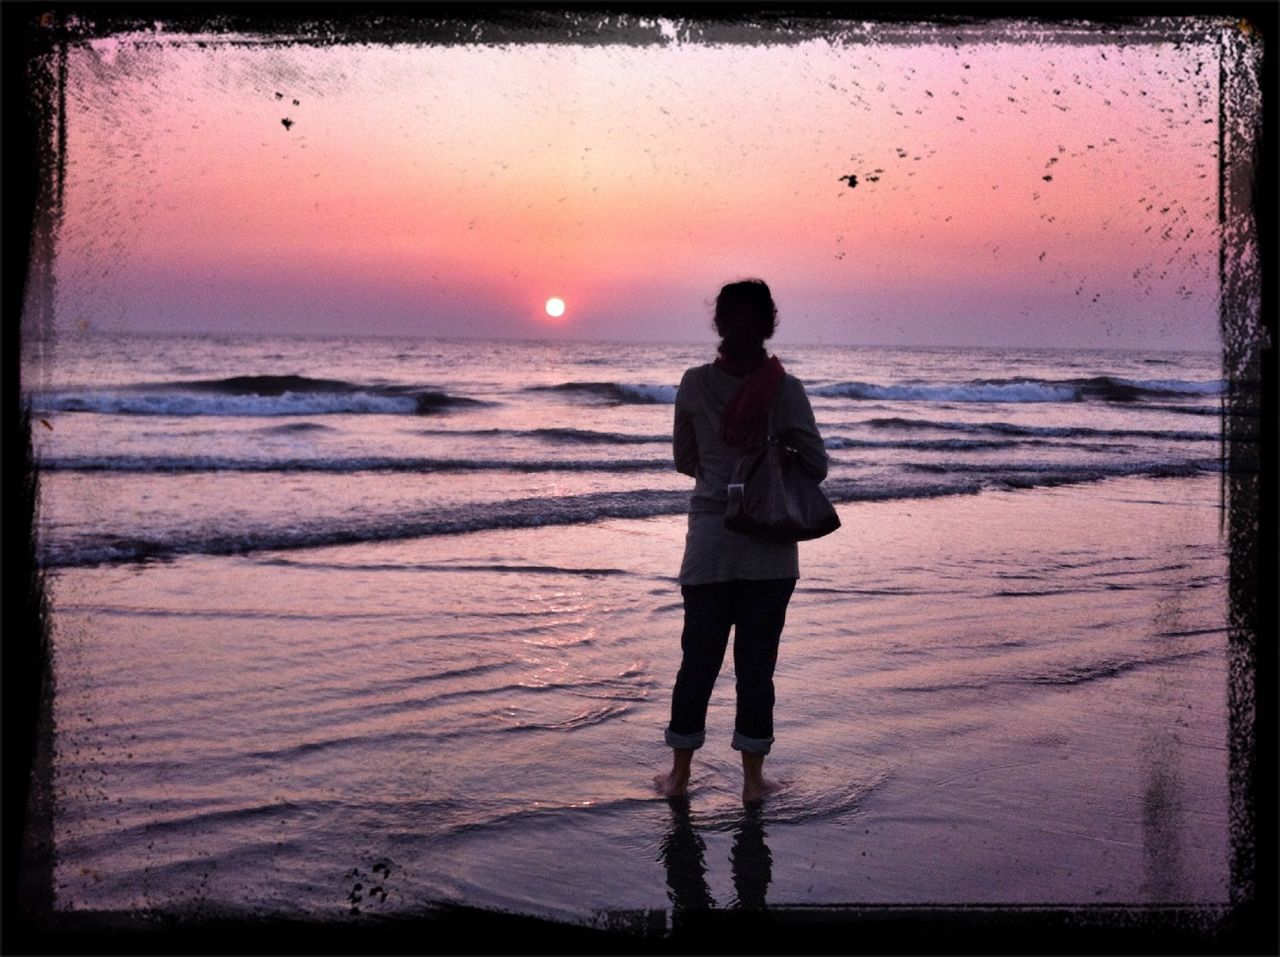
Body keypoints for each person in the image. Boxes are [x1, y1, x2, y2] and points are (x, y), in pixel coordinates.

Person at [654, 279, 829, 805]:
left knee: (698, 662)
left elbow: (684, 460)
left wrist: (720, 471)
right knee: (757, 667)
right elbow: (816, 467)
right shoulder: (786, 388)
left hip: (709, 541)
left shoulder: (692, 383)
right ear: (771, 324)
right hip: (770, 550)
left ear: (719, 323)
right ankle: (753, 784)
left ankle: (679, 776)